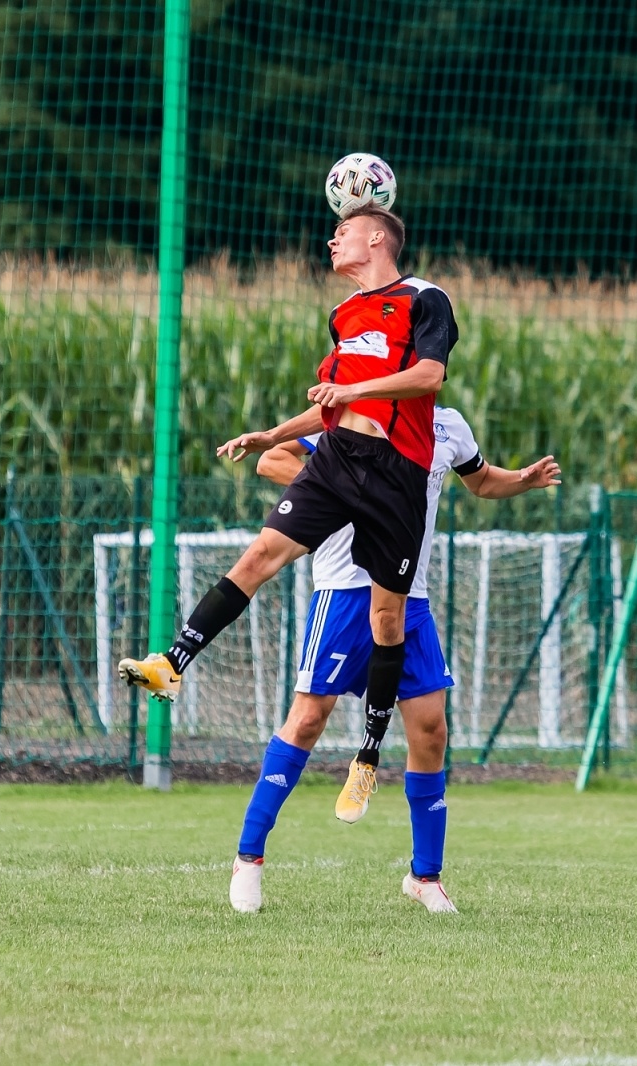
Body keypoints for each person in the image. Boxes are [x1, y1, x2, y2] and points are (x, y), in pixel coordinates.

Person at [119, 206, 453, 794]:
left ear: (377, 238)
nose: (332, 237)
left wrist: (351, 388)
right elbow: (333, 405)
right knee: (259, 558)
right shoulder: (343, 314)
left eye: (343, 230)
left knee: (387, 618)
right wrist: (271, 436)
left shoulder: (425, 297)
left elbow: (428, 376)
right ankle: (171, 664)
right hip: (339, 459)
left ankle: (369, 752)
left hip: (398, 474)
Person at [229, 407, 560, 913]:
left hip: (410, 598)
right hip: (344, 593)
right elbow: (271, 460)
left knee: (430, 731)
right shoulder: (351, 412)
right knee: (307, 720)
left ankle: (425, 876)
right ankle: (248, 860)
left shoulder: (448, 425)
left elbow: (482, 481)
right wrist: (347, 492)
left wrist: (523, 480)